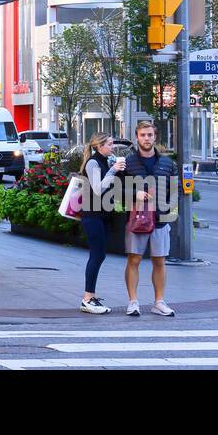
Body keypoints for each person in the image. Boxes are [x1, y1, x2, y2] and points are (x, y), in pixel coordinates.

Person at [117, 120, 176, 317]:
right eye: (143, 135)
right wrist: (135, 194)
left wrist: (168, 209)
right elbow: (117, 190)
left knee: (160, 261)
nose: (147, 138)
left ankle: (159, 302)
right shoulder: (127, 162)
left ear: (155, 137)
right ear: (137, 137)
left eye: (150, 135)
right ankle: (133, 302)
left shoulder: (168, 163)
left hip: (160, 219)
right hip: (136, 220)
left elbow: (174, 190)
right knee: (134, 260)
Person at [78, 135, 123, 314]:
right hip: (92, 214)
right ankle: (87, 298)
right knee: (96, 255)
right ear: (99, 146)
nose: (113, 147)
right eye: (110, 144)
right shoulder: (93, 163)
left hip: (102, 214)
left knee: (100, 255)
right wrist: (113, 170)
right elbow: (98, 188)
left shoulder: (104, 160)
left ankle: (90, 296)